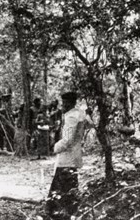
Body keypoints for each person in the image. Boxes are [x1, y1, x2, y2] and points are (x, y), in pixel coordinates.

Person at [47, 91, 93, 219]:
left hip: (67, 156)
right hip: (73, 154)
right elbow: (89, 123)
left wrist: (54, 148)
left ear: (72, 103)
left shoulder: (71, 116)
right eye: (64, 103)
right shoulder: (79, 113)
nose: (64, 106)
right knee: (69, 186)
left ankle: (61, 214)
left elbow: (67, 140)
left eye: (66, 103)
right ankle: (71, 212)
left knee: (62, 187)